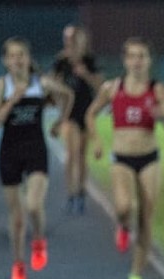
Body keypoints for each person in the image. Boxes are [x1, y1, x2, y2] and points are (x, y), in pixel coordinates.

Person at [86, 36, 164, 279]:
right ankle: (123, 225)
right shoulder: (113, 88)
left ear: (149, 60)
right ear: (125, 60)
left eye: (142, 56)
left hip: (149, 158)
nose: (137, 61)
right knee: (124, 207)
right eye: (133, 56)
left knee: (146, 218)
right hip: (122, 158)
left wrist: (162, 116)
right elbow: (90, 114)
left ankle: (136, 273)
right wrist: (95, 142)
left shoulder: (158, 90)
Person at [0, 37, 74, 279]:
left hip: (35, 150)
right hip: (9, 153)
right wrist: (13, 100)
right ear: (5, 61)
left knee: (33, 205)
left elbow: (68, 95)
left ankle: (38, 239)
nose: (17, 60)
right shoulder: (0, 85)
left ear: (28, 58)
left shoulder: (42, 83)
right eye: (12, 56)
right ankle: (18, 262)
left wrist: (60, 122)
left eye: (21, 55)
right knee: (16, 217)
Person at [52, 24, 103, 214]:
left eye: (72, 38)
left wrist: (86, 74)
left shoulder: (89, 60)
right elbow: (52, 83)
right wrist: (57, 96)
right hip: (69, 113)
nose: (69, 42)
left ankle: (81, 193)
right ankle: (71, 194)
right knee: (71, 154)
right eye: (66, 38)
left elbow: (100, 86)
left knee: (82, 156)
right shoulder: (61, 61)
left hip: (86, 111)